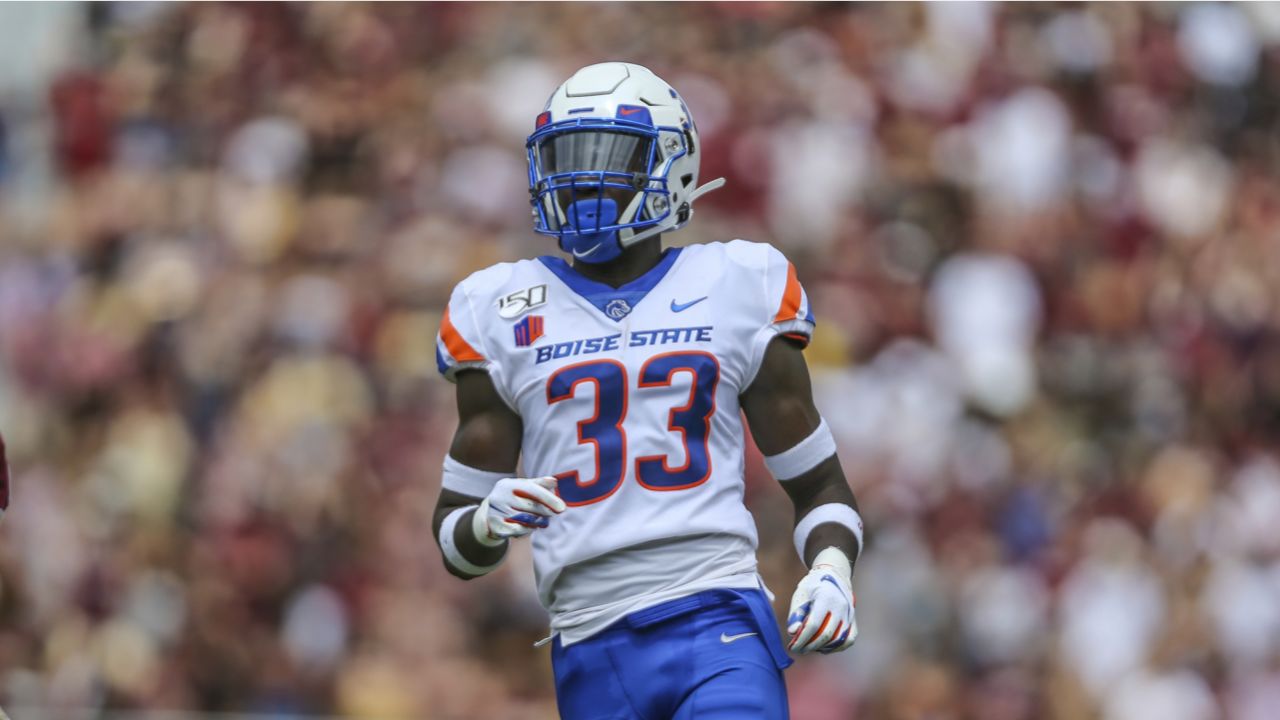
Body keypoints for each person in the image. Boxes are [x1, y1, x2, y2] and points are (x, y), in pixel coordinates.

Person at [431, 61, 864, 719]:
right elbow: (454, 541)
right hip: (588, 641)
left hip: (716, 618)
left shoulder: (737, 284)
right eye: (566, 157)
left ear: (671, 165)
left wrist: (832, 570)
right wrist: (487, 523)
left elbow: (819, 486)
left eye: (607, 155)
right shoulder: (496, 308)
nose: (580, 179)